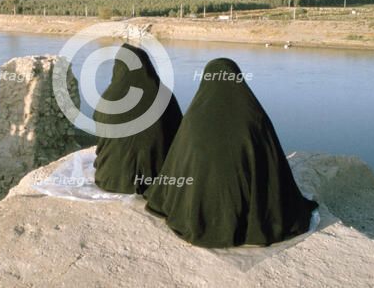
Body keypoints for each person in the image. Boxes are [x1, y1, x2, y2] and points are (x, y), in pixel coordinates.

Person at [145, 58, 318, 248]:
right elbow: (272, 163)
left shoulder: (194, 120)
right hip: (251, 214)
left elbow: (177, 162)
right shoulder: (254, 117)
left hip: (195, 208)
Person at [94, 43, 182, 194]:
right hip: (156, 179)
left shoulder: (109, 98)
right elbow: (179, 134)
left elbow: (101, 131)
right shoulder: (164, 96)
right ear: (147, 65)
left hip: (111, 178)